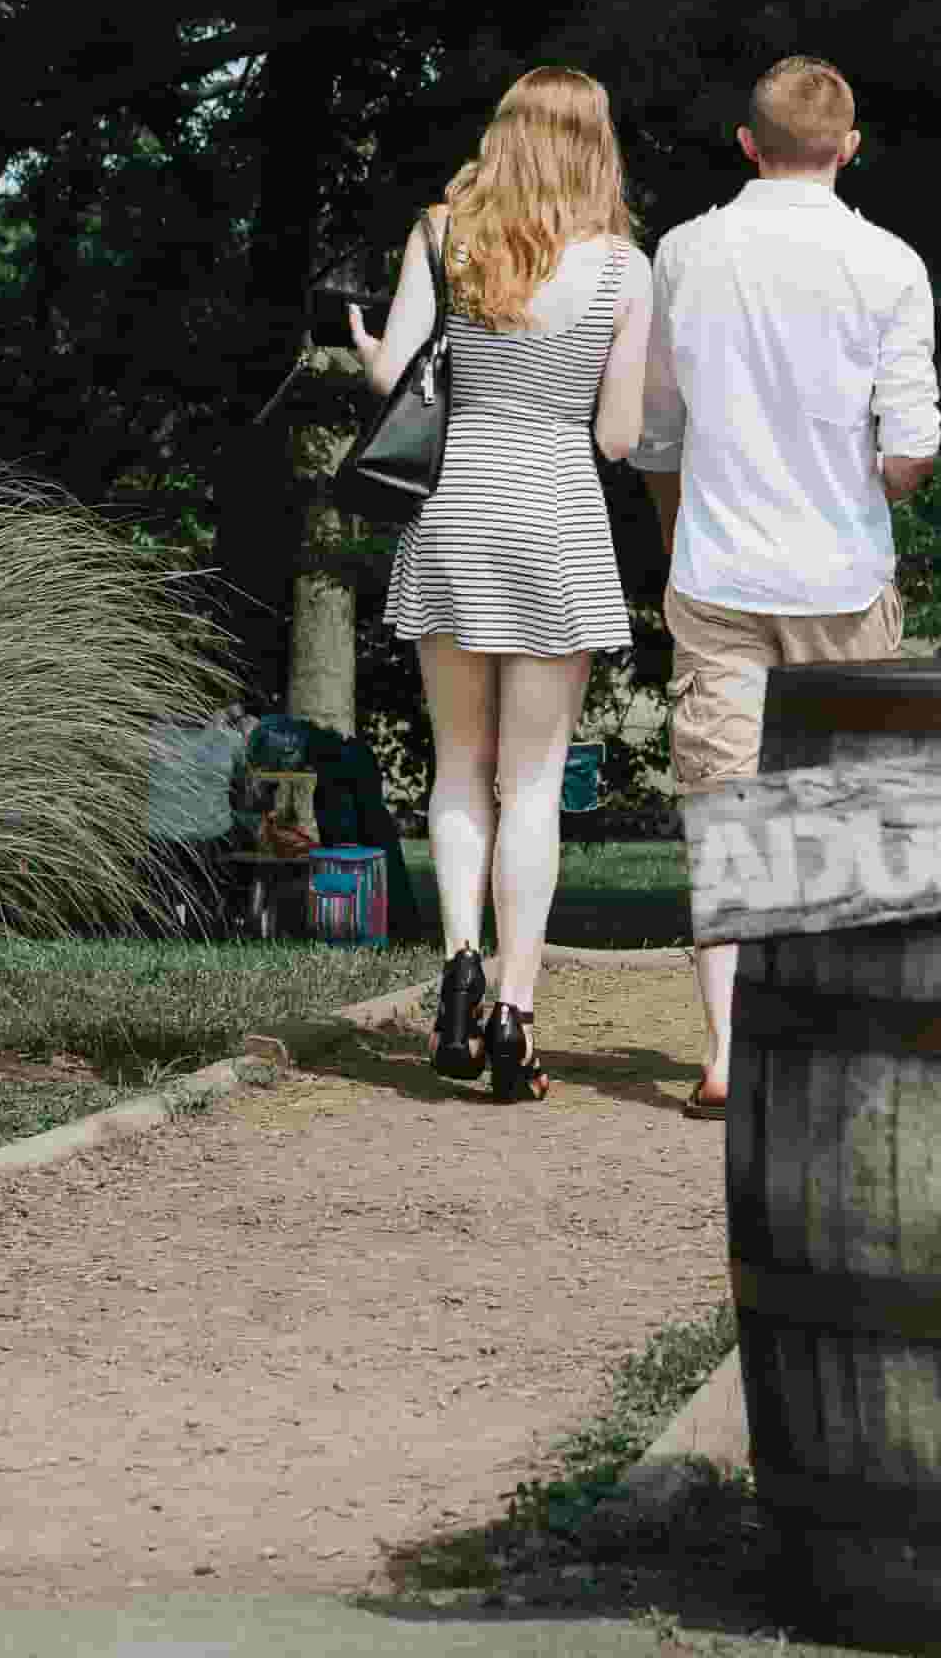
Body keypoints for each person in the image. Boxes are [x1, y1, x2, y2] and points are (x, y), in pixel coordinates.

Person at [632, 56, 940, 1119]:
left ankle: (727, 1049)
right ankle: (841, 1034)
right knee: (848, 813)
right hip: (844, 574)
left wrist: (678, 533)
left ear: (746, 141)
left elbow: (656, 430)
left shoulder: (683, 252)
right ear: (850, 148)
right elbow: (909, 453)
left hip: (718, 568)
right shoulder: (890, 262)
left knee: (723, 808)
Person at [348, 66, 653, 1104]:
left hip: (455, 510)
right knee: (533, 782)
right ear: (594, 146)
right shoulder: (624, 268)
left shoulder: (441, 233)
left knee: (455, 768)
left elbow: (397, 375)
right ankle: (516, 1011)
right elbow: (617, 435)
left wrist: (365, 353)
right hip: (556, 514)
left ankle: (459, 963)